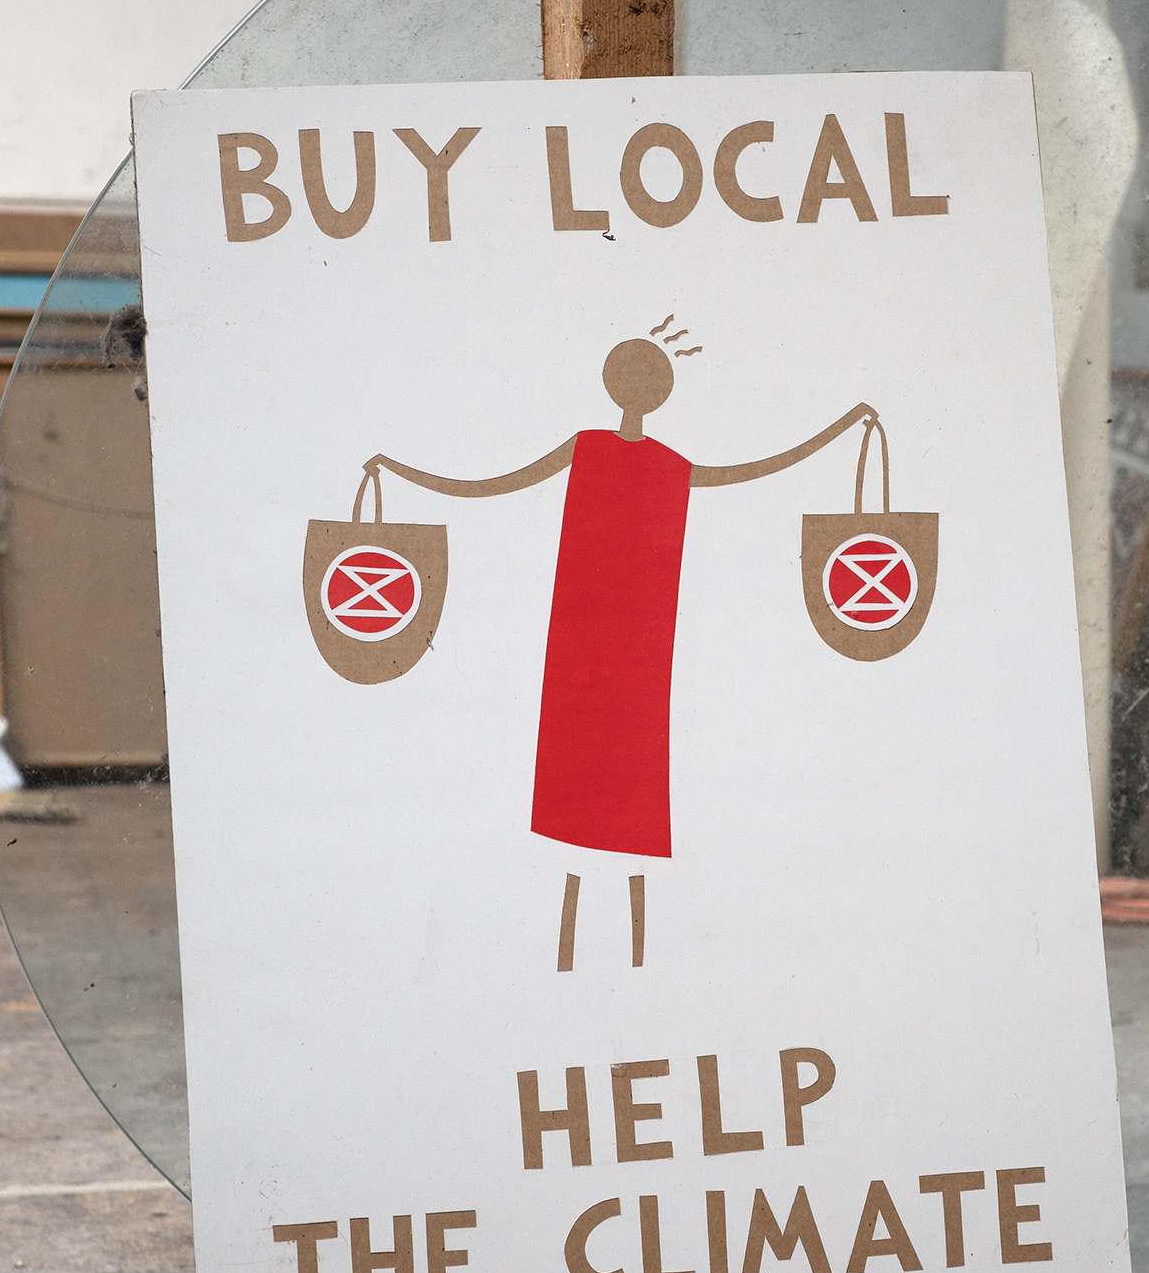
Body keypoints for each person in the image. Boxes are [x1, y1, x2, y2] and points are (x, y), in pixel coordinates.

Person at [364, 321, 876, 964]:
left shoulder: (607, 452)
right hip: (615, 653)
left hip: (609, 652)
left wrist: (402, 472)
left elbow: (490, 485)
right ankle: (618, 955)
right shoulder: (659, 463)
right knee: (611, 806)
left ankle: (591, 954)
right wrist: (836, 430)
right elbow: (752, 470)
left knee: (596, 809)